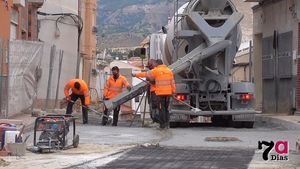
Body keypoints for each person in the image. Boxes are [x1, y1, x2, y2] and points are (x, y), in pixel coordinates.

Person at [149, 59, 176, 129]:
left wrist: (135, 74)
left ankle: (162, 125)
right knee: (166, 109)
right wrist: (173, 92)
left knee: (161, 109)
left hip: (160, 94)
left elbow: (146, 74)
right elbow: (172, 83)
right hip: (168, 94)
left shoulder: (156, 70)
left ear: (157, 64)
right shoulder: (169, 71)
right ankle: (167, 123)